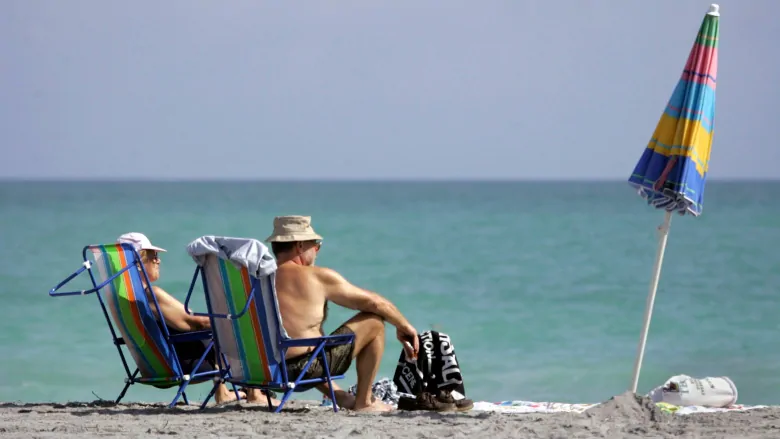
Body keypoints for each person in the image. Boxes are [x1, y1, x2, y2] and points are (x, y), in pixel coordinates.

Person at [264, 216, 420, 412]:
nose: (318, 250)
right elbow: (374, 303)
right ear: (300, 245)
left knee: (307, 339)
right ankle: (365, 402)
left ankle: (341, 397)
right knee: (374, 322)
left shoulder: (259, 280)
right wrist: (404, 326)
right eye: (316, 245)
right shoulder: (316, 276)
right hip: (301, 371)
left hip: (265, 369)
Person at [116, 232, 278, 406]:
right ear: (137, 263)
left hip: (153, 367)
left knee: (217, 331)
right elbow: (194, 323)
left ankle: (224, 392)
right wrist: (235, 320)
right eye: (153, 256)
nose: (158, 260)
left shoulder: (123, 298)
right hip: (185, 365)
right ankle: (254, 393)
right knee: (239, 328)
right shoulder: (151, 295)